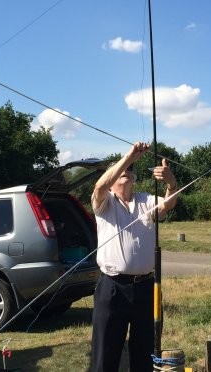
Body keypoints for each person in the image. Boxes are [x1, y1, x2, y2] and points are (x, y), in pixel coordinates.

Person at [89, 142, 178, 372]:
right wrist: (129, 156)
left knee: (144, 352)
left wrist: (171, 182)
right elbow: (100, 185)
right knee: (105, 354)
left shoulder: (145, 200)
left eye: (130, 171)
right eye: (122, 171)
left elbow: (168, 204)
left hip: (145, 287)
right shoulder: (104, 202)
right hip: (112, 288)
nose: (127, 173)